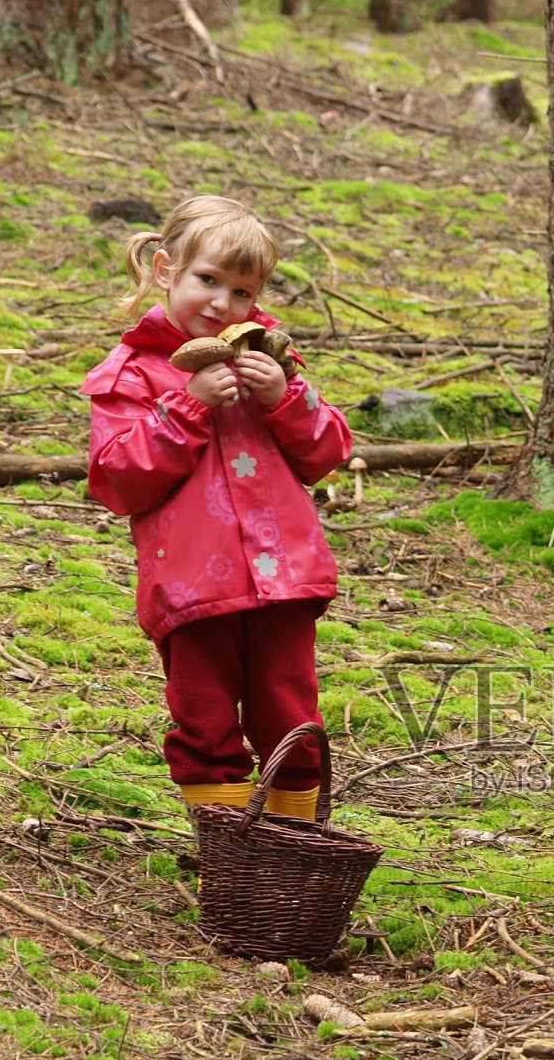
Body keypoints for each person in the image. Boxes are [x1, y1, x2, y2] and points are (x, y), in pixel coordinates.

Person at [81, 194, 351, 822]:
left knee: (291, 710)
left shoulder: (270, 365)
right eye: (208, 280)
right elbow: (118, 480)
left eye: (241, 291)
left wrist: (286, 397)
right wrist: (188, 406)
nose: (222, 305)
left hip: (283, 577)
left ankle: (290, 847)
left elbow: (326, 452)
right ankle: (227, 850)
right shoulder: (133, 375)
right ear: (165, 268)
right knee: (203, 718)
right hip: (192, 586)